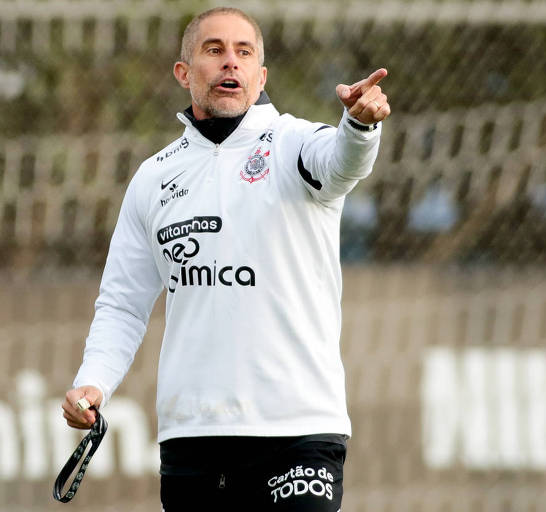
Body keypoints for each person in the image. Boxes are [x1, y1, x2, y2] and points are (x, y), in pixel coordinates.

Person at [60, 6, 390, 511]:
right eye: (214, 50)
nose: (229, 63)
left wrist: (359, 126)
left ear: (261, 76)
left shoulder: (294, 144)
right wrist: (93, 381)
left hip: (297, 430)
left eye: (244, 52)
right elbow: (124, 304)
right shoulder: (152, 178)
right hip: (192, 437)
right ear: (184, 73)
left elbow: (342, 163)